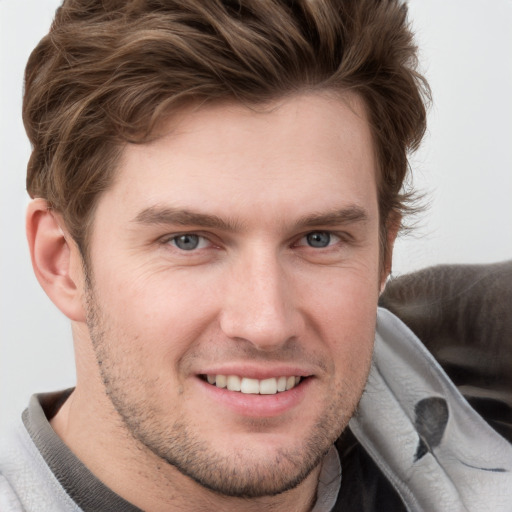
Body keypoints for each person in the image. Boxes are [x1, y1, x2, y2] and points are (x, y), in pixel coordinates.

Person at [0, 1, 510, 511]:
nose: (266, 323)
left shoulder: (477, 369)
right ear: (61, 261)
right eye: (189, 241)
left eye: (318, 238)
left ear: (385, 251)